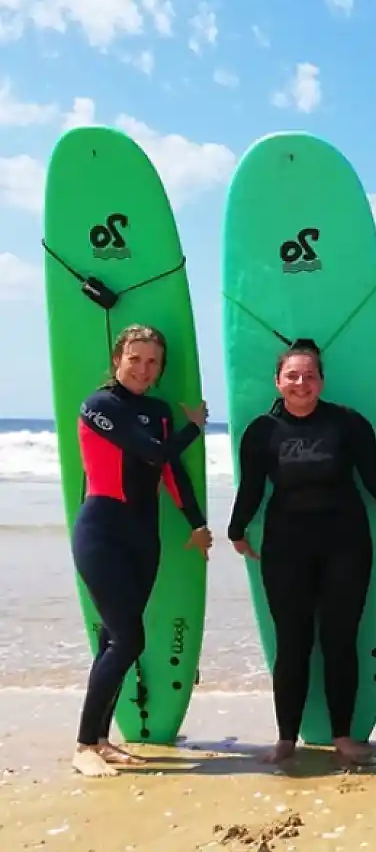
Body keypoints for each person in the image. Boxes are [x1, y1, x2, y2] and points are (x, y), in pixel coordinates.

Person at [226, 338, 376, 767]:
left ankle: (343, 736)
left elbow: (372, 476)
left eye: (309, 375)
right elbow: (252, 487)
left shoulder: (348, 424)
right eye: (292, 375)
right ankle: (286, 738)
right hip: (285, 548)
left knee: (340, 640)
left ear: (322, 381)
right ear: (278, 381)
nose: (301, 383)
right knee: (291, 643)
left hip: (345, 545)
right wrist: (236, 529)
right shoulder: (262, 432)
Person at [70, 324, 211, 778]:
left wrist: (196, 523)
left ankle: (100, 741)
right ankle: (82, 745)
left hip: (143, 537)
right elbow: (153, 453)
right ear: (117, 359)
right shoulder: (98, 406)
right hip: (102, 533)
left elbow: (171, 472)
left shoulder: (157, 409)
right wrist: (194, 428)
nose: (143, 369)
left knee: (117, 639)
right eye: (135, 359)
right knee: (129, 639)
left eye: (153, 362)